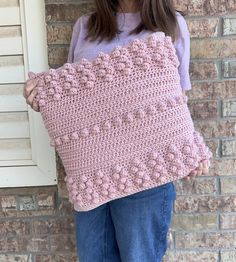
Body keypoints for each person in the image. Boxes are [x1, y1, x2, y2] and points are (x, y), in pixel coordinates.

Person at [23, 0, 210, 261]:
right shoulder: (85, 26)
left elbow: (174, 101)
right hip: (91, 177)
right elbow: (72, 101)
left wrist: (188, 149)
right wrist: (41, 97)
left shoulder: (171, 24)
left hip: (147, 174)